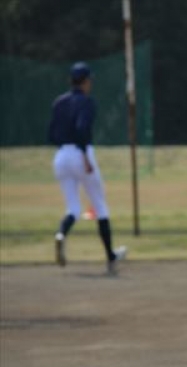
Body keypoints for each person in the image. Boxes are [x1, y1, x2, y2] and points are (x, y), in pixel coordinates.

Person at [49, 61, 126, 274]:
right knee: (100, 206)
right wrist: (83, 155)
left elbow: (51, 134)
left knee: (73, 208)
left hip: (60, 156)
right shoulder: (87, 102)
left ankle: (61, 234)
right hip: (80, 154)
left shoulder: (59, 102)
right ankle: (110, 257)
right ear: (84, 82)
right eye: (89, 80)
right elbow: (82, 127)